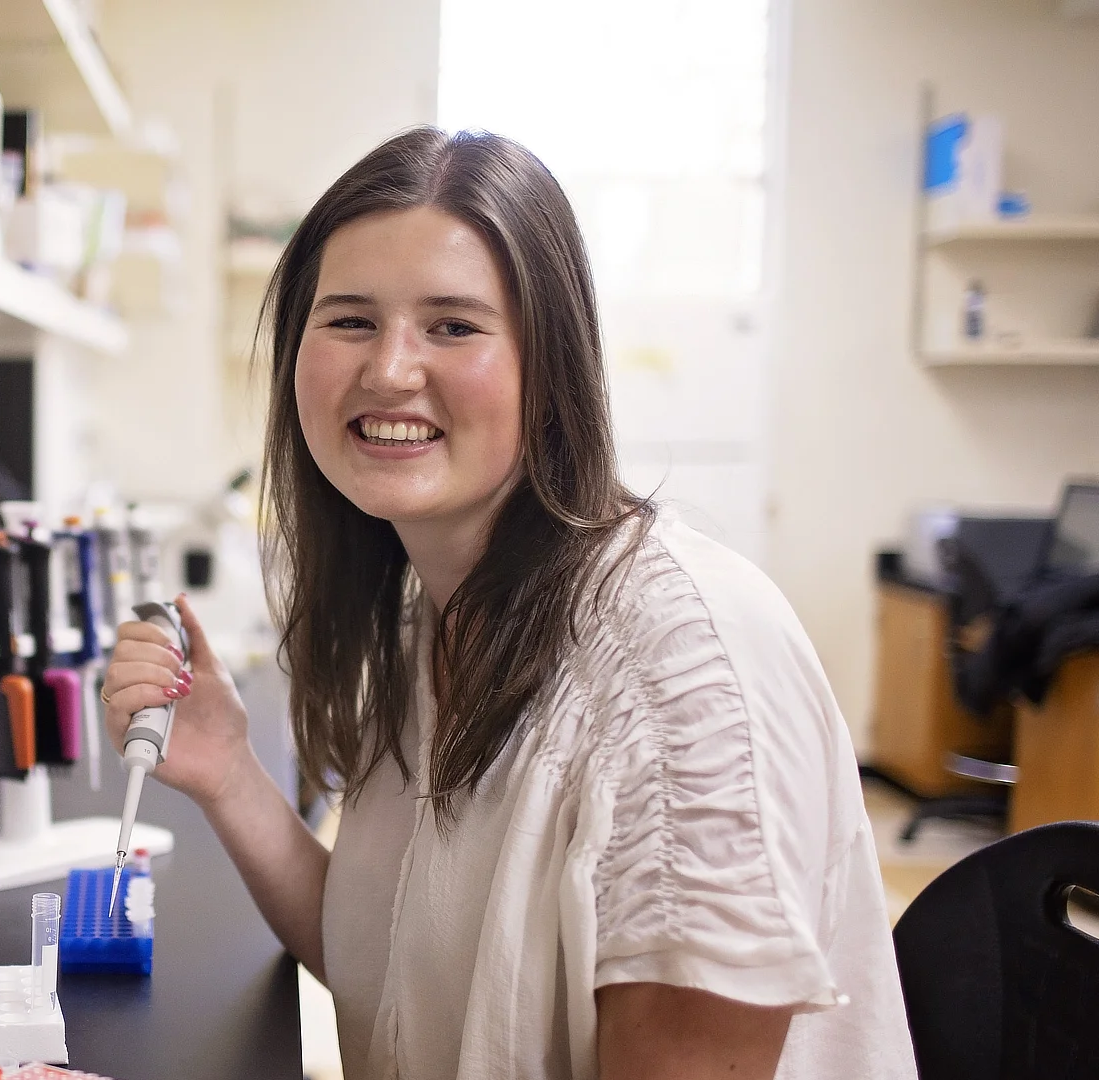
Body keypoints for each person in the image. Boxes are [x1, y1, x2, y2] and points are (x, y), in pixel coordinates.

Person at [100, 129, 915, 1080]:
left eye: (454, 325)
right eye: (350, 320)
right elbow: (396, 974)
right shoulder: (436, 616)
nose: (391, 370)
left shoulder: (683, 674)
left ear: (551, 369)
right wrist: (229, 771)